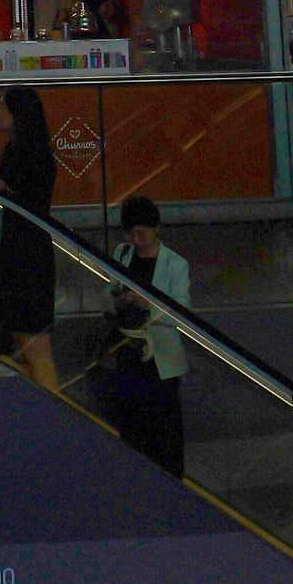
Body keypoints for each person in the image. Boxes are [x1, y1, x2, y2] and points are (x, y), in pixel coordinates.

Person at [106, 197, 190, 477]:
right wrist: (119, 299)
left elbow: (182, 311)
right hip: (129, 349)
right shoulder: (122, 253)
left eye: (142, 234)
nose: (137, 240)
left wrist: (147, 303)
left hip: (160, 357)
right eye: (132, 234)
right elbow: (109, 290)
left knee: (164, 428)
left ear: (155, 230)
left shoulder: (175, 264)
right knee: (131, 423)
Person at [0, 88, 58, 388]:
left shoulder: (31, 154)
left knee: (34, 346)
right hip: (21, 252)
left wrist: (7, 190)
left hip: (27, 259)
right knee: (28, 346)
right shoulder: (22, 149)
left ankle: (54, 413)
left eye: (3, 107)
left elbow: (32, 199)